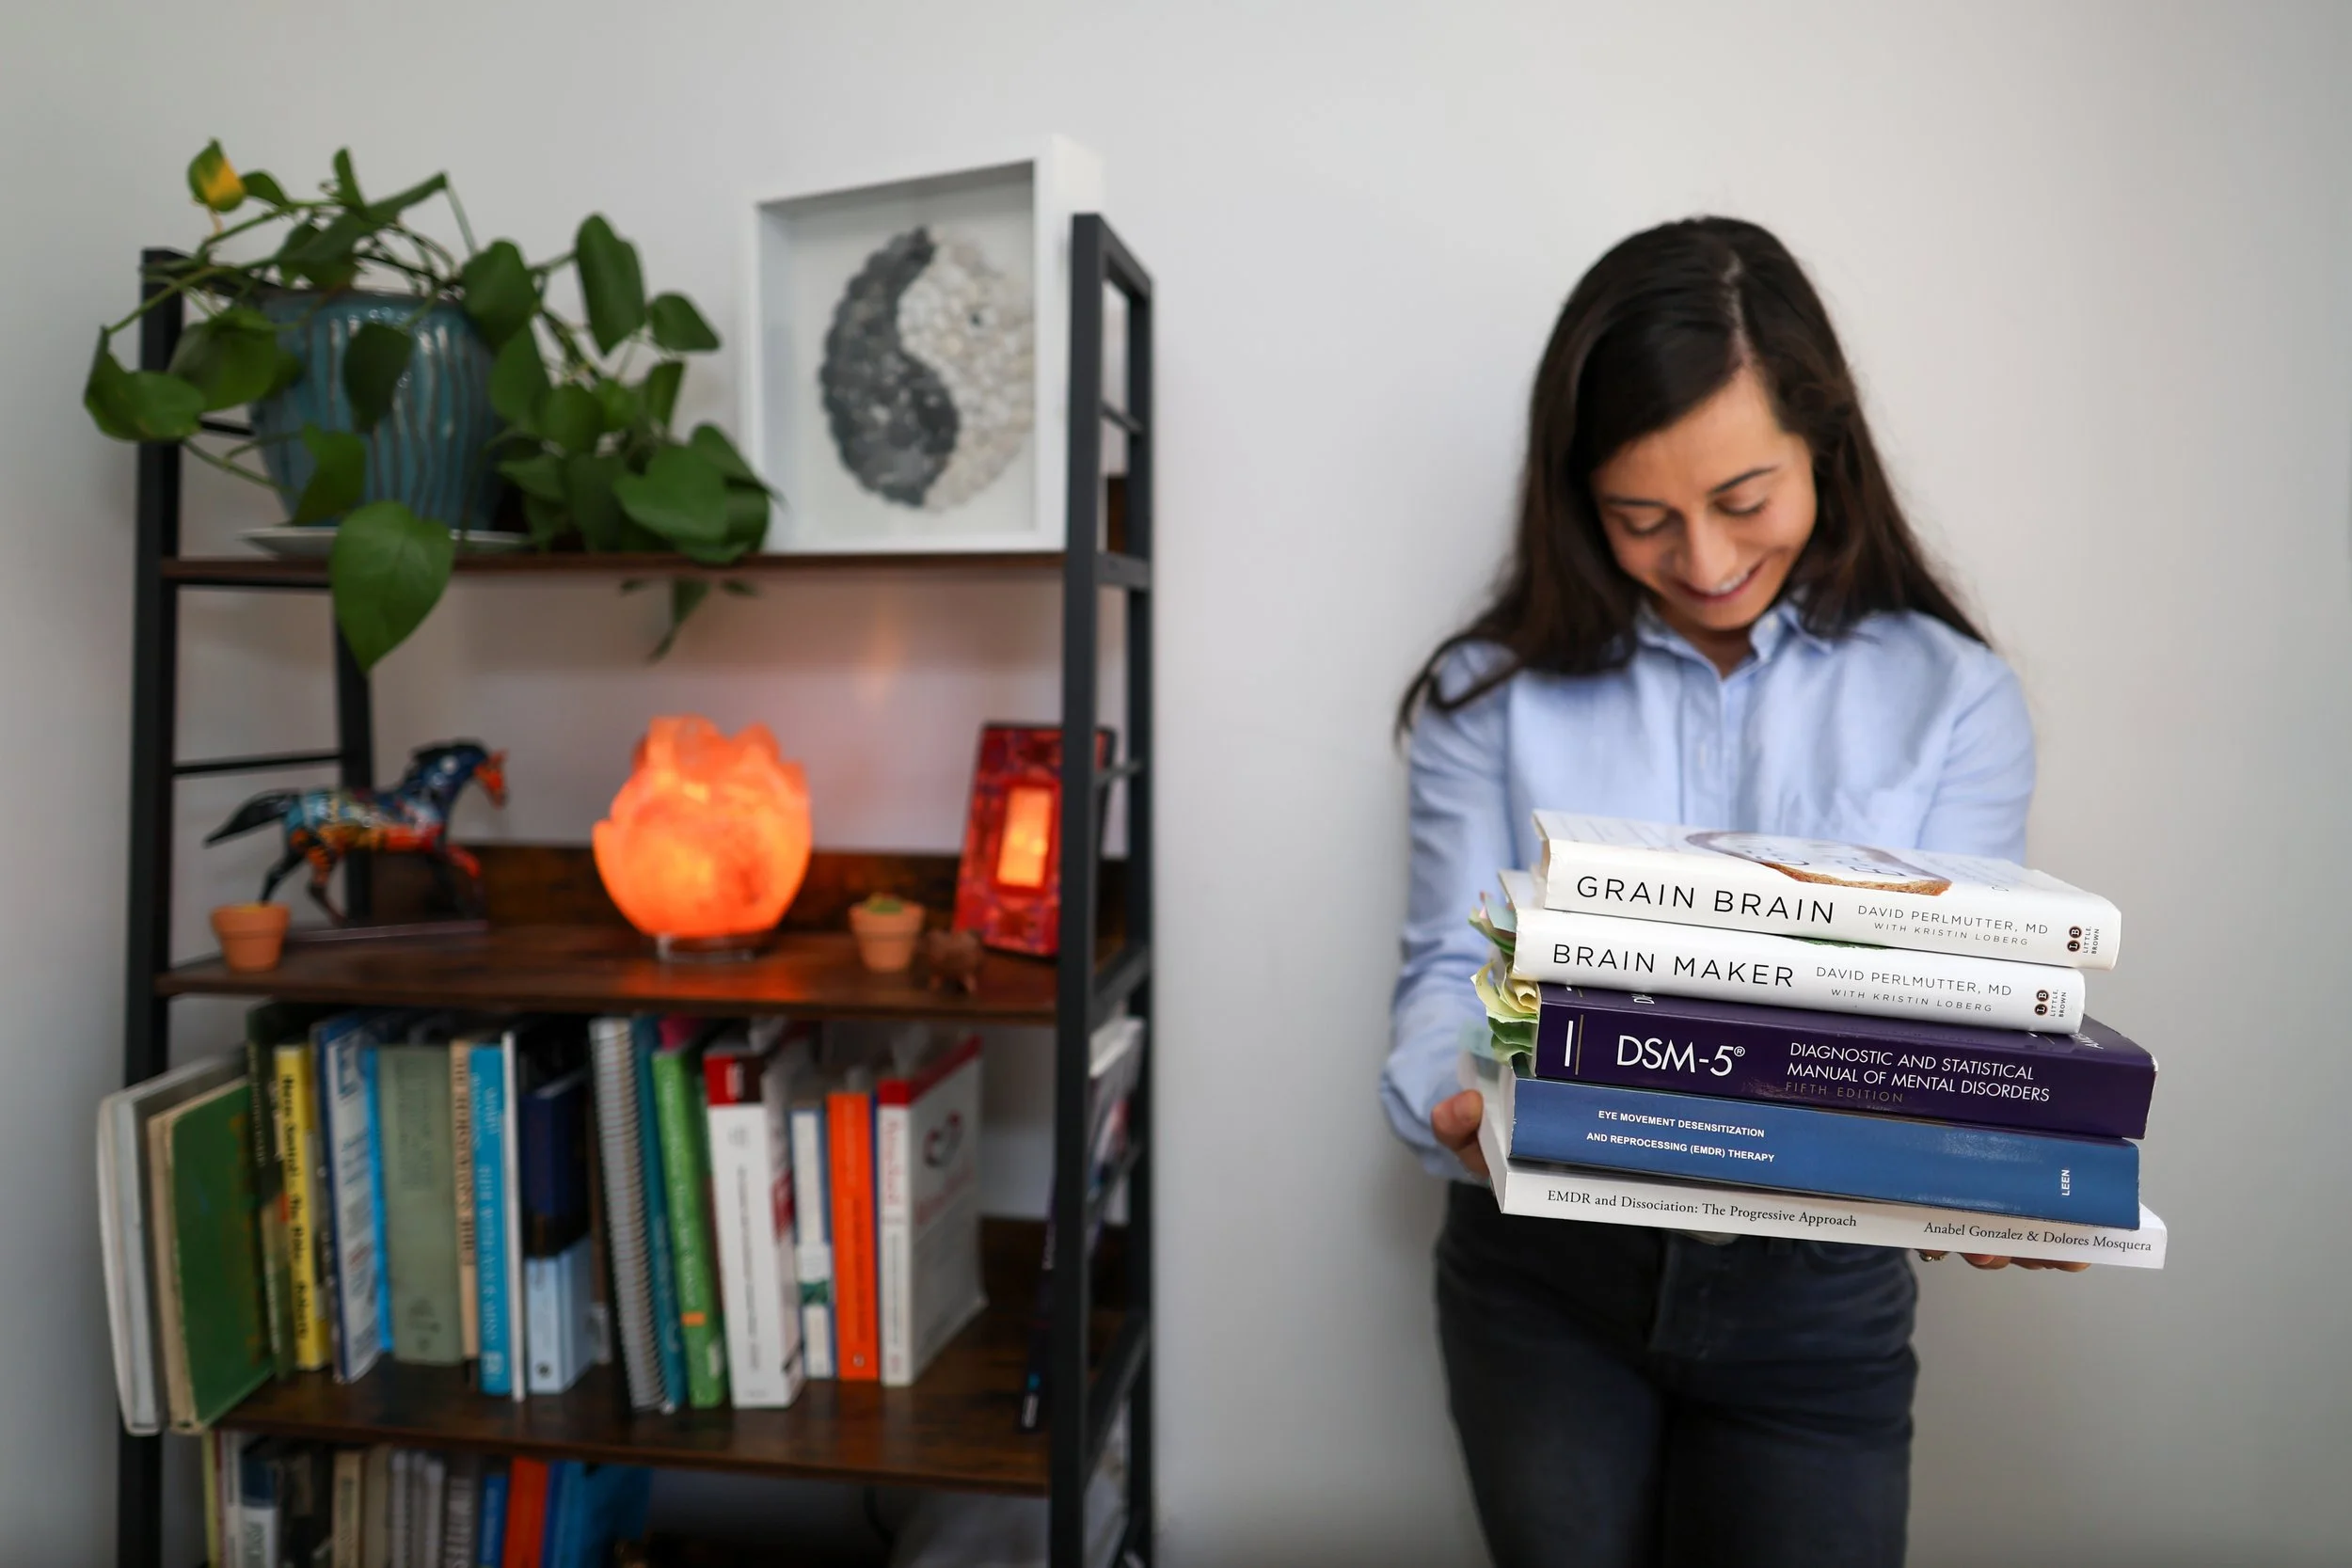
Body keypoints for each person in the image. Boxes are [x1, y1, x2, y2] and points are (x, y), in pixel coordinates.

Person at [1383, 216, 2082, 1568]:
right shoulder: (1487, 699)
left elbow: (1972, 1008)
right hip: (1544, 1287)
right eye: (1642, 518)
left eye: (1743, 500)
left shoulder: (1956, 698)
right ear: (1577, 496)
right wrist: (1459, 1110)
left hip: (1815, 1311)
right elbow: (1435, 987)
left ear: (1826, 441)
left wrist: (1989, 1157)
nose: (1702, 561)